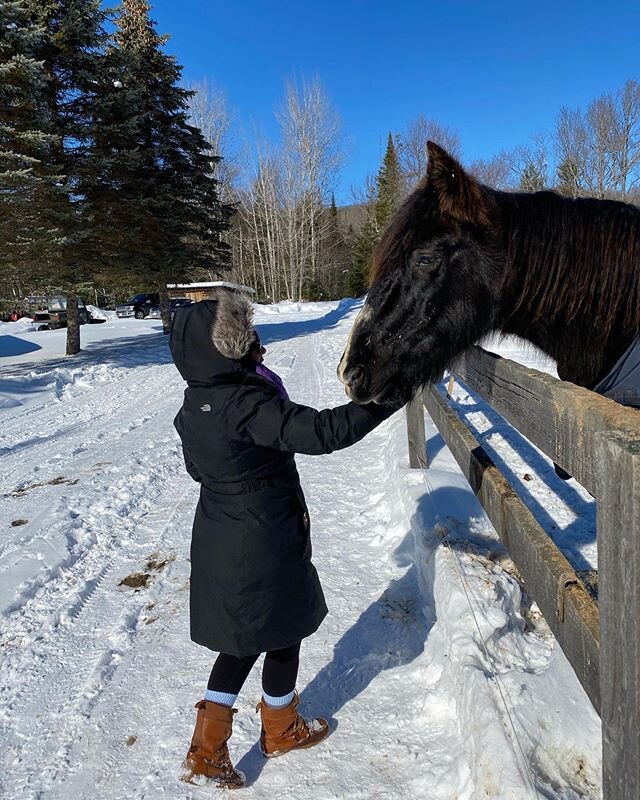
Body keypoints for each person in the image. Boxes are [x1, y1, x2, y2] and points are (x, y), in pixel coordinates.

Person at [169, 290, 399, 788]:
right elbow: (321, 432)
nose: (262, 350)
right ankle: (257, 736)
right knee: (278, 629)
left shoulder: (195, 405)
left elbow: (196, 468)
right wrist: (389, 397)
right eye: (252, 342)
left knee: (250, 637)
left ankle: (234, 740)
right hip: (261, 540)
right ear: (226, 349)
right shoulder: (245, 403)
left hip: (222, 532)